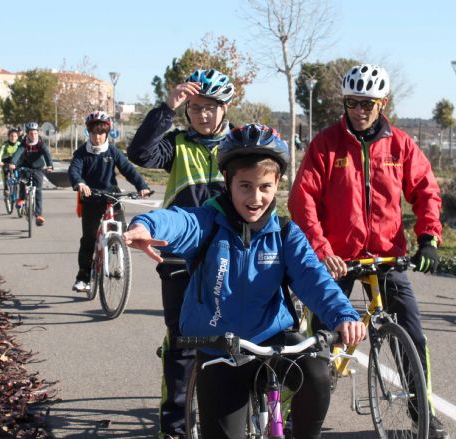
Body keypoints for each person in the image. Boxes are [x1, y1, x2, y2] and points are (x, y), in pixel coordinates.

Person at [124, 123, 366, 439]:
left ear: (278, 183)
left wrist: (343, 315)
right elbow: (177, 221)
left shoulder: (285, 233)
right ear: (228, 182)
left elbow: (313, 277)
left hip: (273, 342)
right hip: (218, 350)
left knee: (318, 371)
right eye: (245, 186)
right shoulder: (208, 223)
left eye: (265, 187)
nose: (255, 198)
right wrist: (145, 225)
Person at [288, 64, 448, 438]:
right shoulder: (326, 144)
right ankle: (302, 405)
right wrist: (321, 248)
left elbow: (426, 190)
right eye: (353, 103)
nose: (360, 110)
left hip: (386, 256)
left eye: (368, 104)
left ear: (383, 104)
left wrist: (429, 238)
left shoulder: (400, 145)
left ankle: (422, 411)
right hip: (338, 259)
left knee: (414, 336)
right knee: (320, 341)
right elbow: (302, 199)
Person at [127, 68, 234, 438]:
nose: (203, 115)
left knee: (235, 340)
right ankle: (174, 427)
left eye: (211, 108)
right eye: (195, 107)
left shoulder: (237, 145)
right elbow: (139, 152)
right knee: (182, 344)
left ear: (225, 108)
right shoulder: (176, 144)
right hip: (179, 258)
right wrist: (166, 108)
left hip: (229, 257)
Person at [68, 110, 151, 292]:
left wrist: (141, 186)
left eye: (101, 132)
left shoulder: (112, 151)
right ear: (88, 132)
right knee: (89, 239)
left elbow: (128, 169)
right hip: (91, 199)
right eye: (93, 132)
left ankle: (117, 256)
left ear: (107, 133)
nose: (97, 137)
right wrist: (80, 183)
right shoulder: (82, 152)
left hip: (112, 197)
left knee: (122, 234)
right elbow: (74, 170)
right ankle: (83, 277)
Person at [9, 121, 53, 226]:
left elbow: (47, 154)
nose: (33, 136)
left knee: (38, 190)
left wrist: (50, 165)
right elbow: (18, 153)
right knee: (23, 180)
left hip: (38, 168)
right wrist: (13, 163)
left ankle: (38, 215)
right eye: (31, 133)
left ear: (38, 133)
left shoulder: (41, 144)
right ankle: (22, 198)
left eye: (35, 133)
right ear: (27, 134)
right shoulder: (24, 143)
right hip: (26, 166)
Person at [0, 127, 20, 194]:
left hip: (15, 162)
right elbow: (0, 153)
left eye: (15, 136)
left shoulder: (19, 145)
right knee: (5, 172)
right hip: (6, 161)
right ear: (8, 137)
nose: (13, 137)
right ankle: (6, 188)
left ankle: (19, 186)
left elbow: (23, 153)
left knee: (20, 172)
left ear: (17, 137)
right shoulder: (5, 145)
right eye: (11, 136)